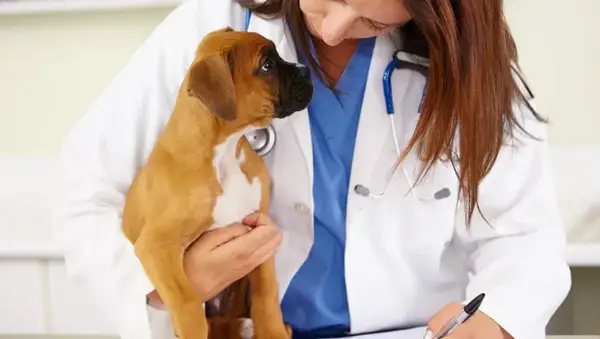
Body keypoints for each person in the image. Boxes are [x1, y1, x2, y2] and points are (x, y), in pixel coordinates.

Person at [54, 0, 572, 338]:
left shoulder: (469, 65)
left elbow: (524, 237)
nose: (333, 28)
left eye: (374, 19)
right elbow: (83, 191)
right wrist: (165, 284)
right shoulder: (214, 32)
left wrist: (498, 321)